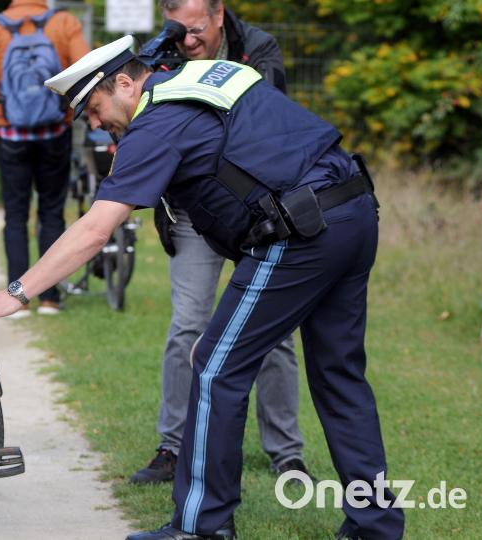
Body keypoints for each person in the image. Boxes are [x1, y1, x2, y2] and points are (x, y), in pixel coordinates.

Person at [0, 36, 405, 540]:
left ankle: (200, 526)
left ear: (125, 83)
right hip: (354, 210)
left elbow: (95, 230)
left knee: (215, 368)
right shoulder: (203, 77)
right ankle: (375, 526)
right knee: (340, 375)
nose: (96, 124)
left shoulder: (156, 123)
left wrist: (16, 293)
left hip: (303, 232)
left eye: (95, 109)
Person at [129, 0, 308, 486]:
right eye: (178, 31)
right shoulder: (161, 54)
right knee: (188, 326)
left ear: (219, 14)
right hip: (193, 211)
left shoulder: (258, 47)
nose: (188, 41)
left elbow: (263, 118)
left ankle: (286, 453)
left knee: (275, 332)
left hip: (257, 212)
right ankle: (172, 447)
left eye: (197, 30)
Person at [0, 0, 90, 317]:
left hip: (11, 134)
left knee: (16, 216)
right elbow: (85, 73)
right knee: (52, 213)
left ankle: (18, 298)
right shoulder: (64, 23)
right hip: (55, 133)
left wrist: (7, 100)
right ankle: (50, 298)